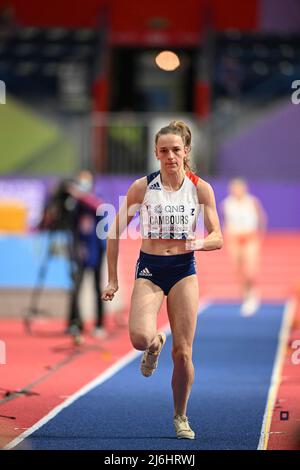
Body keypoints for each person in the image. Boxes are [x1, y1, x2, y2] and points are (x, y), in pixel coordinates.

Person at [101, 121, 223, 439]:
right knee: (139, 338)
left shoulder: (200, 188)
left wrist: (192, 243)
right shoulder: (142, 187)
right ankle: (154, 344)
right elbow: (113, 231)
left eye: (176, 150)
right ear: (156, 152)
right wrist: (113, 280)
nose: (170, 156)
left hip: (184, 271)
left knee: (183, 352)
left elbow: (217, 237)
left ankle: (180, 416)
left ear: (186, 152)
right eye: (164, 150)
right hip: (150, 269)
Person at [65, 170, 107, 338]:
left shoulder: (94, 198)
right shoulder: (76, 204)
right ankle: (75, 322)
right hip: (80, 249)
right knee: (76, 287)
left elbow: (100, 208)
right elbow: (71, 224)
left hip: (97, 249)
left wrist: (80, 195)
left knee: (97, 287)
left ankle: (99, 323)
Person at [220, 178, 267, 316]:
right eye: (234, 189)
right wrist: (227, 236)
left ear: (244, 189)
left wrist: (259, 235)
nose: (237, 191)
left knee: (251, 269)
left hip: (250, 238)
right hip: (234, 239)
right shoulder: (227, 204)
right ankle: (246, 295)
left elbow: (262, 218)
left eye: (239, 188)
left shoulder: (252, 202)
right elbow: (225, 222)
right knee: (238, 269)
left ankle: (252, 293)